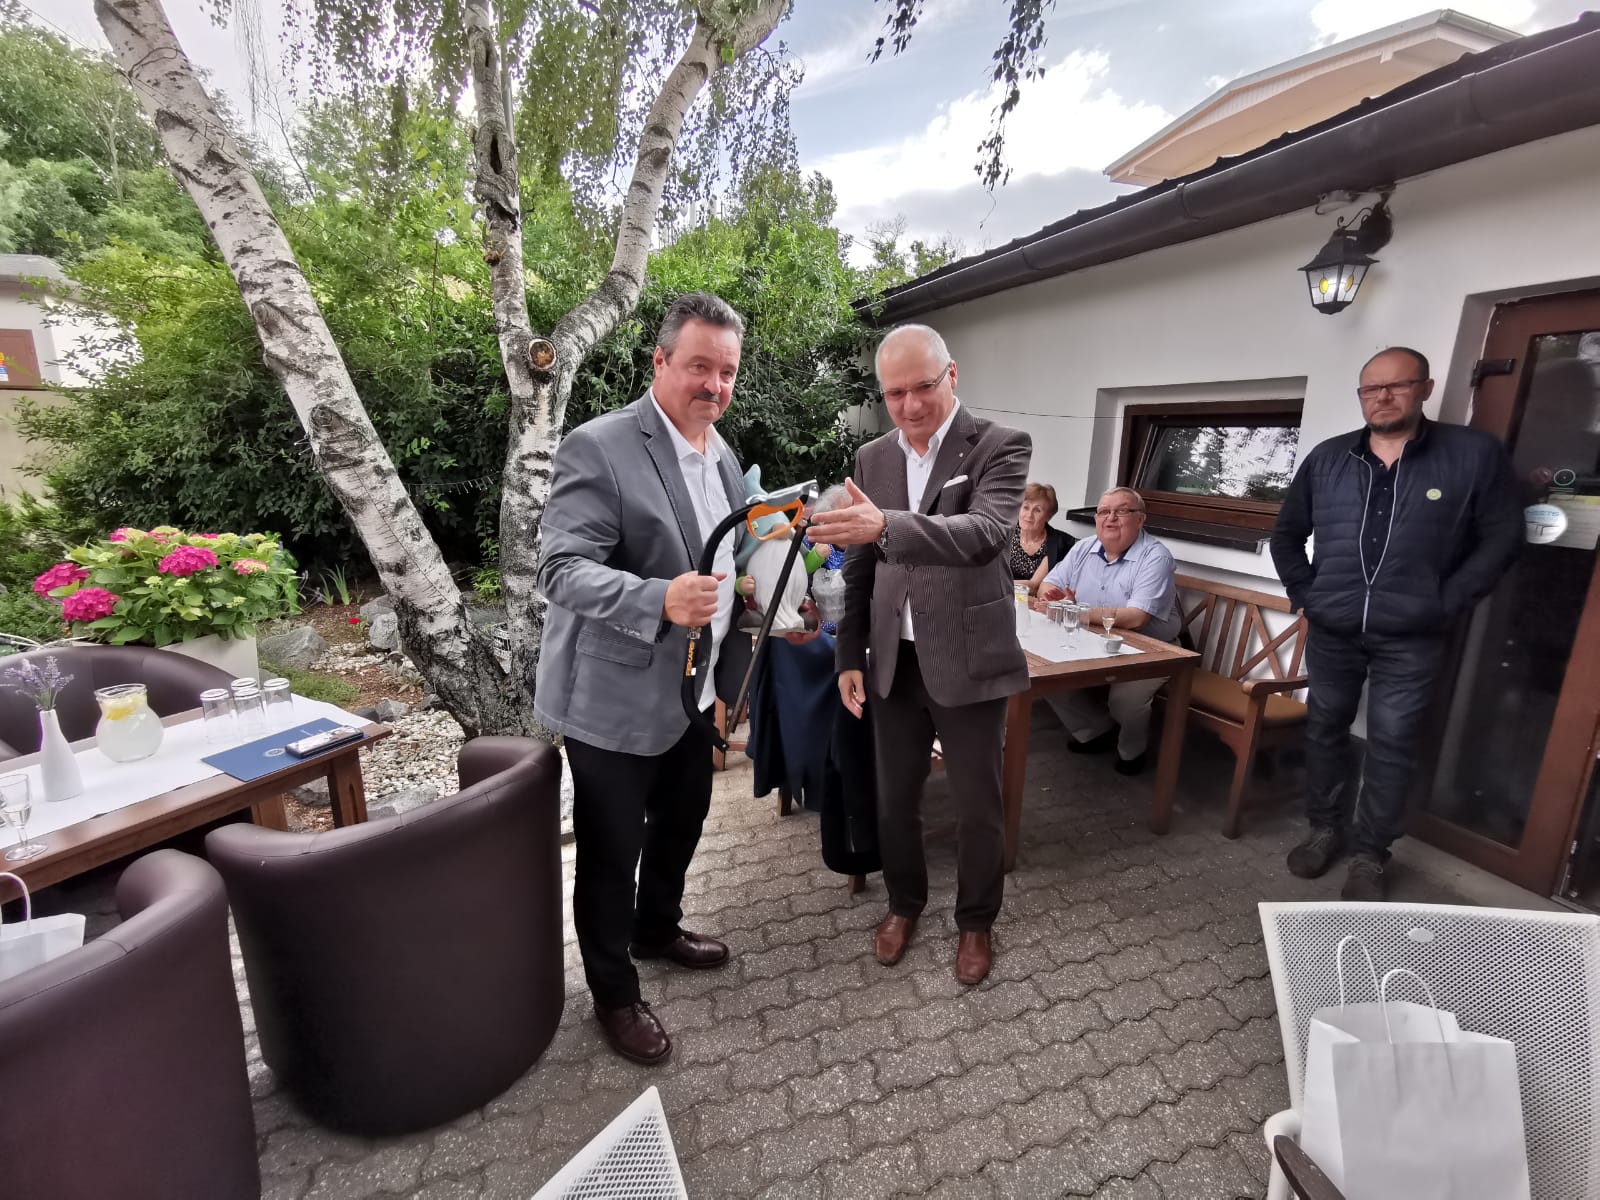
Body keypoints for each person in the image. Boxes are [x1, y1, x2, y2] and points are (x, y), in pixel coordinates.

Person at [534, 292, 754, 1065]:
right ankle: (614, 993)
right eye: (699, 366)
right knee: (609, 852)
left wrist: (757, 603)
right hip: (614, 699)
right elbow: (560, 570)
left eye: (727, 372)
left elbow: (726, 555)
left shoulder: (721, 454)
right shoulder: (600, 446)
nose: (714, 385)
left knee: (685, 819)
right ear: (659, 361)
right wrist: (658, 598)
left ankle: (655, 929)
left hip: (691, 691)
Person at [810, 323, 1031, 986]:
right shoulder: (873, 457)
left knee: (977, 806)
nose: (908, 405)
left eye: (923, 387)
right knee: (893, 798)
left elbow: (985, 533)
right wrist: (849, 653)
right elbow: (859, 564)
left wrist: (886, 525)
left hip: (970, 656)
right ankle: (904, 904)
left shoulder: (999, 445)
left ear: (952, 375)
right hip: (893, 662)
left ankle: (976, 920)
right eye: (894, 393)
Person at [1270, 346, 1520, 901]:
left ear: (1424, 389)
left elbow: (1503, 537)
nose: (1382, 397)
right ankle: (1324, 829)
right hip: (1333, 630)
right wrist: (1307, 595)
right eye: (1370, 388)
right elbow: (1286, 536)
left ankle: (1370, 853)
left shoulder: (1472, 454)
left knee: (1393, 741)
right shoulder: (1328, 458)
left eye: (1397, 385)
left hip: (1413, 636)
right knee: (1324, 728)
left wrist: (1445, 601)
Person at [1038, 487, 1180, 775]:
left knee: (1125, 701)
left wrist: (1076, 611)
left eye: (1122, 511)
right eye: (1103, 511)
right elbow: (1048, 584)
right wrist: (1055, 598)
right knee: (1045, 675)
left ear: (1140, 519)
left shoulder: (1155, 557)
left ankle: (1132, 751)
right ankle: (1094, 730)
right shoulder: (1083, 548)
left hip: (1149, 649)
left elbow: (1137, 618)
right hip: (1092, 639)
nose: (1110, 518)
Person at [1011, 482, 1076, 595]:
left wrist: (996, 585)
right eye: (1025, 507)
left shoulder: (1058, 543)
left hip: (1034, 600)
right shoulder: (1006, 533)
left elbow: (1034, 586)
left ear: (1048, 516)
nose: (1029, 515)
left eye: (1037, 510)